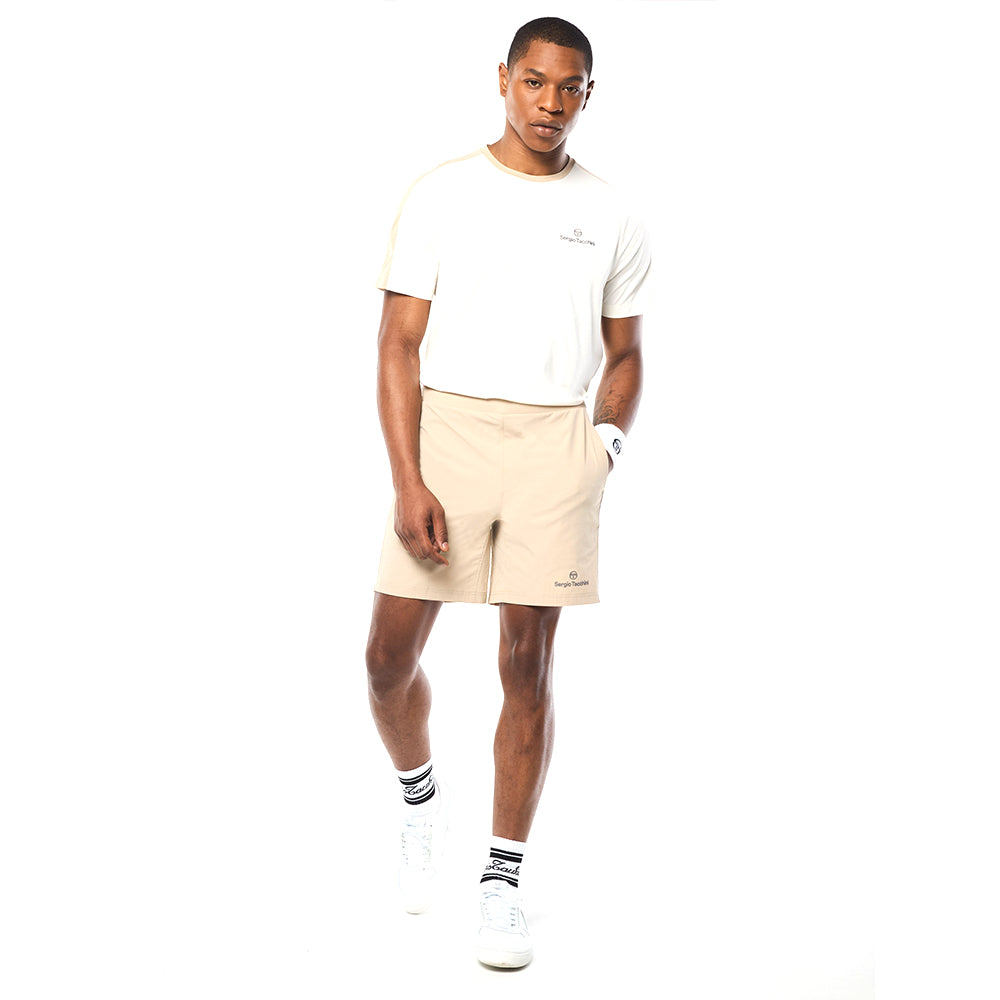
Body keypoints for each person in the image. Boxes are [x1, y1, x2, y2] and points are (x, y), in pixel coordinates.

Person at [365, 16, 650, 969]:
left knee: (527, 665)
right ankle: (420, 799)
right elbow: (398, 343)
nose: (550, 102)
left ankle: (501, 880)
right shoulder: (441, 192)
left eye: (569, 87)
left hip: (553, 443)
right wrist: (408, 477)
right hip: (445, 435)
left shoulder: (611, 212)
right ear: (503, 79)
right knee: (386, 659)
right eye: (535, 81)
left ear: (588, 95)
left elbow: (626, 353)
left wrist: (603, 448)